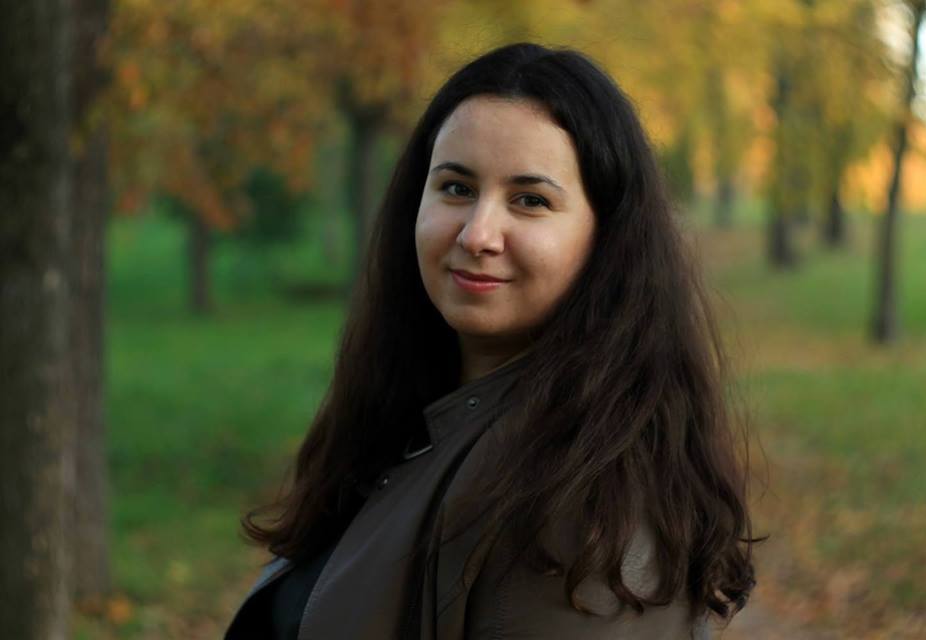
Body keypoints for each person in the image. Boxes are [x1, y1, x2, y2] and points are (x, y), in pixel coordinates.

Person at [224, 42, 756, 640]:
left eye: (530, 200)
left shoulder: (585, 508)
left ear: (608, 240)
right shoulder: (407, 415)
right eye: (456, 188)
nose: (478, 234)